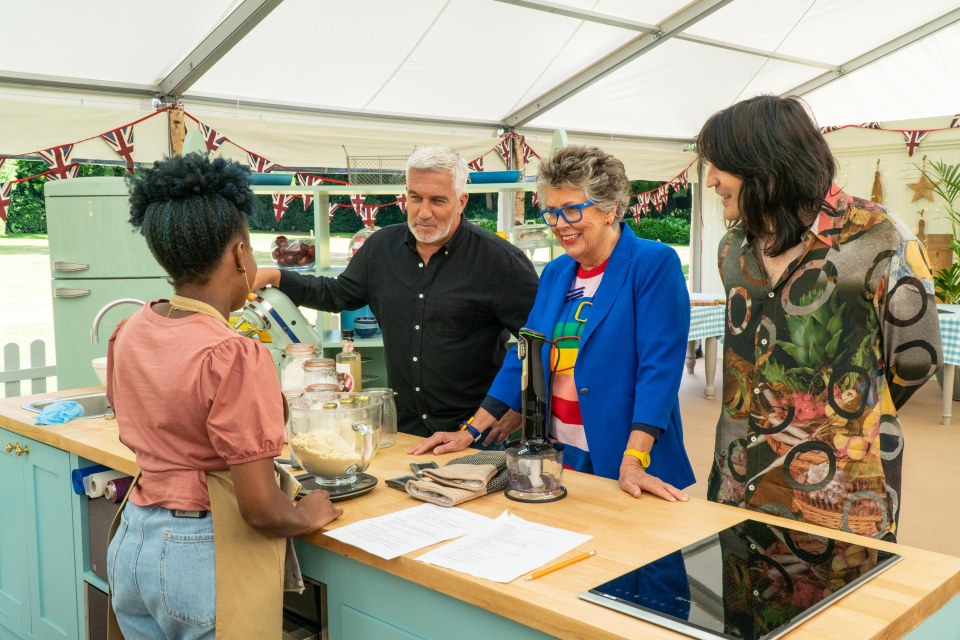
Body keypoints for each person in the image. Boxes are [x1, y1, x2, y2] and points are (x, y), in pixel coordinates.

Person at [106, 154, 341, 639]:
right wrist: (305, 514)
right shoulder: (233, 354)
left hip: (132, 540)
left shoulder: (131, 328)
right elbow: (259, 508)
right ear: (239, 254)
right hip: (197, 553)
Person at [697, 95, 941, 539]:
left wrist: (848, 412)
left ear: (765, 164)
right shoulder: (733, 250)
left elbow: (917, 360)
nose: (709, 180)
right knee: (743, 599)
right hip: (738, 478)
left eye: (719, 165)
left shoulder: (880, 238)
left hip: (842, 491)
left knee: (846, 602)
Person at [410, 145, 696, 501]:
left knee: (639, 556)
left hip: (627, 454)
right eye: (551, 212)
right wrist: (471, 431)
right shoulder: (557, 272)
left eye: (572, 210)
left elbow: (660, 369)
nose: (561, 225)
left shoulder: (653, 264)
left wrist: (635, 457)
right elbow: (525, 356)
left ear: (610, 209)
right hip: (560, 454)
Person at [253, 146, 538, 438]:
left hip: (471, 435)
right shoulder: (380, 248)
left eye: (438, 200)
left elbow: (539, 342)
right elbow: (337, 294)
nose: (423, 212)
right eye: (415, 198)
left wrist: (515, 408)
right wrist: (276, 276)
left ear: (461, 201)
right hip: (402, 432)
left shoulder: (501, 262)